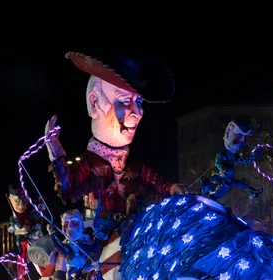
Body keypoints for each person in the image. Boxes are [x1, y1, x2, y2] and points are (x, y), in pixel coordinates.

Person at [45, 49, 185, 230]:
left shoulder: (130, 167)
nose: (138, 113)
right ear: (94, 103)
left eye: (139, 102)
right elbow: (67, 186)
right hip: (97, 231)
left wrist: (173, 188)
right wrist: (56, 152)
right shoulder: (91, 163)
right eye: (124, 102)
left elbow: (155, 181)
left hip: (127, 228)